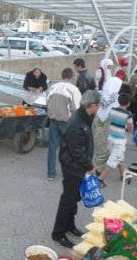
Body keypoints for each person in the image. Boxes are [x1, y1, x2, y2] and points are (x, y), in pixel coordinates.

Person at [52, 90, 101, 248]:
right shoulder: (77, 122)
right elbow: (76, 151)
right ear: (92, 106)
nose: (99, 108)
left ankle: (70, 226)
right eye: (98, 105)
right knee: (68, 199)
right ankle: (58, 233)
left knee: (74, 199)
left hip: (78, 166)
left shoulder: (85, 116)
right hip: (72, 167)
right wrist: (90, 166)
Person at [46, 68, 82, 181]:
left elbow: (47, 102)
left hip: (53, 120)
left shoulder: (53, 87)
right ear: (71, 77)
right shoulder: (73, 89)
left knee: (52, 147)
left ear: (62, 75)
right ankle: (68, 172)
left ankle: (50, 173)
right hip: (67, 122)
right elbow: (77, 108)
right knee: (69, 148)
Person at [98, 93, 133, 186]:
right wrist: (130, 129)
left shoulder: (112, 110)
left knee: (118, 157)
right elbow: (130, 128)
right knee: (113, 160)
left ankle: (123, 175)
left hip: (110, 138)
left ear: (118, 101)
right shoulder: (128, 115)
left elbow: (108, 121)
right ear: (129, 103)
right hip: (119, 140)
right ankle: (100, 179)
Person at [93, 77, 122, 175]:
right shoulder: (115, 99)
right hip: (107, 127)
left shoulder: (101, 95)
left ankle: (121, 173)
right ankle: (96, 174)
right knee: (104, 150)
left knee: (103, 149)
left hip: (99, 125)